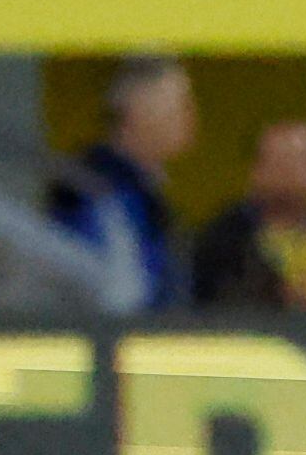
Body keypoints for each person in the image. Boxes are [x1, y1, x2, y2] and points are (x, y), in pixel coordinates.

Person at [50, 56, 198, 316]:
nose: (190, 117)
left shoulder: (145, 195)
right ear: (137, 111)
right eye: (179, 105)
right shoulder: (96, 193)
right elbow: (121, 299)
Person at [190, 119, 306, 308]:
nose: (290, 173)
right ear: (256, 170)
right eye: (281, 162)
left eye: (302, 161)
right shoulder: (224, 238)